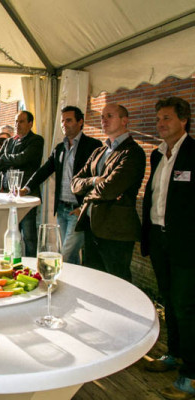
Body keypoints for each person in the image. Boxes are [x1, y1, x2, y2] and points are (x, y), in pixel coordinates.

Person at [141, 97, 195, 399]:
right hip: (160, 240)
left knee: (187, 307)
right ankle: (174, 354)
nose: (160, 124)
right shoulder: (158, 154)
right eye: (158, 118)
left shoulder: (193, 153)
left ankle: (191, 376)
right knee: (169, 302)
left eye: (167, 118)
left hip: (186, 245)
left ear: (183, 120)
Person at [71, 103, 146, 282]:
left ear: (124, 120)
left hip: (116, 231)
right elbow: (74, 183)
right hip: (92, 227)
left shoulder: (133, 152)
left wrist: (86, 198)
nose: (104, 120)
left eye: (109, 116)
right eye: (102, 117)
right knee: (93, 282)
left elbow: (109, 189)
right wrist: (94, 181)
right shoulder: (99, 151)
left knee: (118, 283)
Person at [21, 106, 102, 264]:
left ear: (80, 122)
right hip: (62, 209)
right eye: (62, 121)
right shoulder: (59, 148)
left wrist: (85, 206)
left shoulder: (93, 145)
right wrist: (26, 188)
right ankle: (74, 280)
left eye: (68, 120)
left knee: (65, 255)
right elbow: (44, 170)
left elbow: (96, 179)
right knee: (71, 257)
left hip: (79, 210)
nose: (64, 124)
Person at [0, 111, 44, 256]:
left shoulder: (36, 140)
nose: (17, 125)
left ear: (30, 123)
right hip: (8, 195)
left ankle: (31, 263)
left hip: (26, 194)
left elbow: (22, 159)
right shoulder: (9, 142)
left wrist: (6, 158)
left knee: (29, 236)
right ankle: (12, 262)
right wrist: (9, 159)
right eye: (16, 121)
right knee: (10, 232)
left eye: (21, 121)